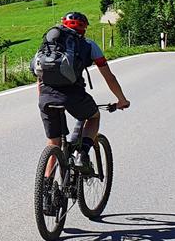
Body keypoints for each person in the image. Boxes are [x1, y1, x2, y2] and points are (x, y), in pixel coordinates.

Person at [37, 12, 129, 181]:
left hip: (46, 97)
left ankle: (46, 188)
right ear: (84, 29)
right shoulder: (88, 45)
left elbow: (40, 75)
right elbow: (109, 76)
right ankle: (83, 154)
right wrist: (121, 100)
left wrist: (42, 99)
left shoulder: (50, 44)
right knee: (94, 116)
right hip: (73, 96)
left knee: (53, 142)